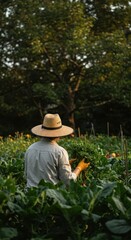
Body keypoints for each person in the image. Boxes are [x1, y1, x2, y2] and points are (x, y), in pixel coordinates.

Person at [24, 113, 90, 188]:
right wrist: (79, 168)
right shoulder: (60, 152)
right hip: (50, 196)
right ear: (59, 133)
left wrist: (63, 165)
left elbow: (27, 174)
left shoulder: (30, 148)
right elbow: (68, 181)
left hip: (29, 195)